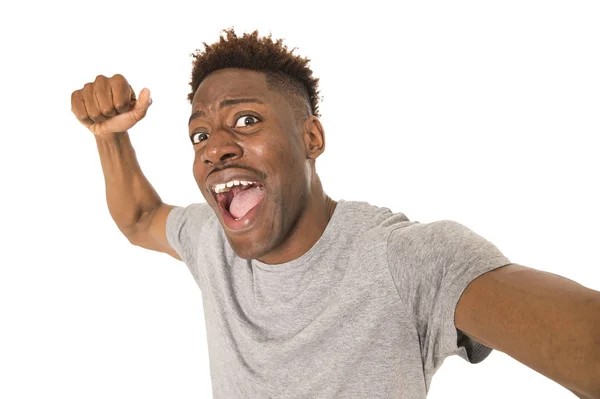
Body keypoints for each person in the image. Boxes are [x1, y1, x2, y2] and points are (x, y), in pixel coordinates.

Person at [70, 29, 600, 399]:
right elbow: (139, 218)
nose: (214, 149)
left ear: (312, 138)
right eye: (200, 135)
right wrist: (110, 139)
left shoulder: (405, 259)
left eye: (247, 120)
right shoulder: (212, 241)